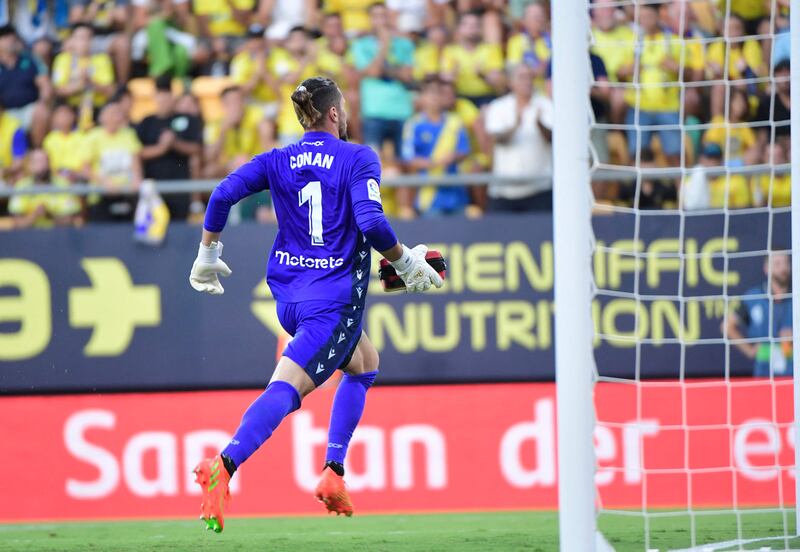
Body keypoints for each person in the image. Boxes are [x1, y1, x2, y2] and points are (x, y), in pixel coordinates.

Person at [188, 76, 443, 533]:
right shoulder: (357, 156)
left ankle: (334, 472)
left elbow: (222, 193)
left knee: (364, 361)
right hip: (332, 302)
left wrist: (208, 253)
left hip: (289, 296)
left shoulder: (278, 158)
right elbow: (371, 220)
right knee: (287, 388)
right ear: (333, 113)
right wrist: (404, 261)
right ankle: (224, 465)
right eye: (343, 109)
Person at [483, 63, 553, 212]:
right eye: (522, 77)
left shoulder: (545, 105)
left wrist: (539, 124)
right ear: (510, 82)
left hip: (540, 189)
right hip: (504, 191)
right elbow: (498, 139)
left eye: (530, 77)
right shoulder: (498, 106)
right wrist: (515, 125)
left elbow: (553, 139)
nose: (527, 81)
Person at [402, 76, 471, 216]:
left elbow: (464, 151)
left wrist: (454, 156)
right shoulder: (413, 125)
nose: (434, 97)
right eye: (430, 93)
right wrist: (434, 163)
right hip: (429, 197)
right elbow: (408, 159)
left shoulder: (455, 122)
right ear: (422, 98)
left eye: (438, 93)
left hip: (456, 195)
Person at [136, 75, 203, 220]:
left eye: (167, 96)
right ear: (155, 98)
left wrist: (175, 143)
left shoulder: (188, 119)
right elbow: (137, 153)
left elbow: (197, 149)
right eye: (160, 95)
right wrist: (161, 148)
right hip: (153, 189)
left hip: (182, 188)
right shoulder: (146, 122)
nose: (163, 100)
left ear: (173, 98)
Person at [723, 251, 793, 377]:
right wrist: (749, 350)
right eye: (777, 264)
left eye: (786, 263)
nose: (783, 268)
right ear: (767, 268)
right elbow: (727, 326)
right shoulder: (753, 297)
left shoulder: (796, 295)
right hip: (764, 371)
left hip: (794, 369)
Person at [0, 25, 51, 147]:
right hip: (5, 112)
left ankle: (37, 151)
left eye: (12, 38)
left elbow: (45, 86)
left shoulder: (30, 59)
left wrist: (43, 102)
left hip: (30, 108)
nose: (10, 41)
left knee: (42, 112)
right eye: (5, 38)